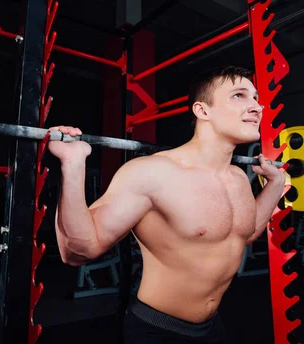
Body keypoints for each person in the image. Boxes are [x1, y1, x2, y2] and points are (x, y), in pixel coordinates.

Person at [48, 66, 287, 343]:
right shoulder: (153, 173)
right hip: (159, 331)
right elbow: (77, 252)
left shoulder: (237, 178)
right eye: (239, 96)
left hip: (213, 327)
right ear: (202, 111)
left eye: (256, 98)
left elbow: (245, 233)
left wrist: (275, 185)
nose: (257, 107)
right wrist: (73, 164)